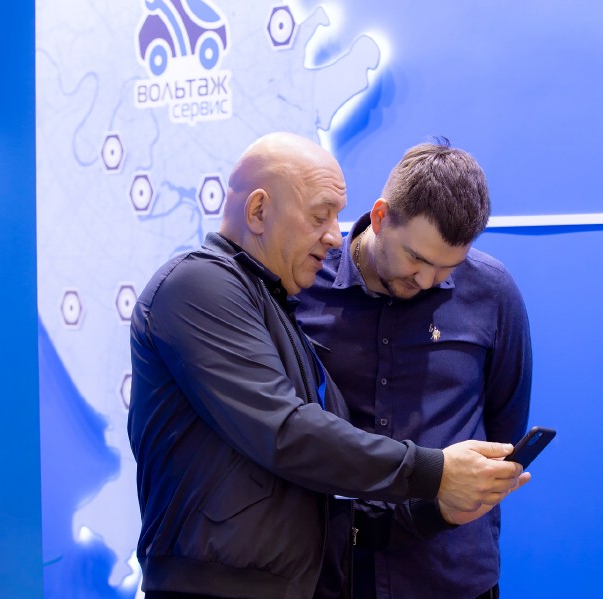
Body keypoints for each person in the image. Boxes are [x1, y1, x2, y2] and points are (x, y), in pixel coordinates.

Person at [127, 132, 529, 599]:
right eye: (320, 217)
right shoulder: (202, 286)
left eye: (446, 269)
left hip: (417, 572)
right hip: (235, 584)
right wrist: (435, 472)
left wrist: (434, 508)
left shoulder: (273, 302)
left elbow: (314, 479)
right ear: (258, 211)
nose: (332, 235)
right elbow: (289, 434)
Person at [296, 139, 533, 599]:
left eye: (447, 268)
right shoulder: (305, 283)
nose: (426, 280)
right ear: (380, 217)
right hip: (335, 571)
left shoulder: (493, 291)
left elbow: (505, 430)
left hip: (452, 572)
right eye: (416, 258)